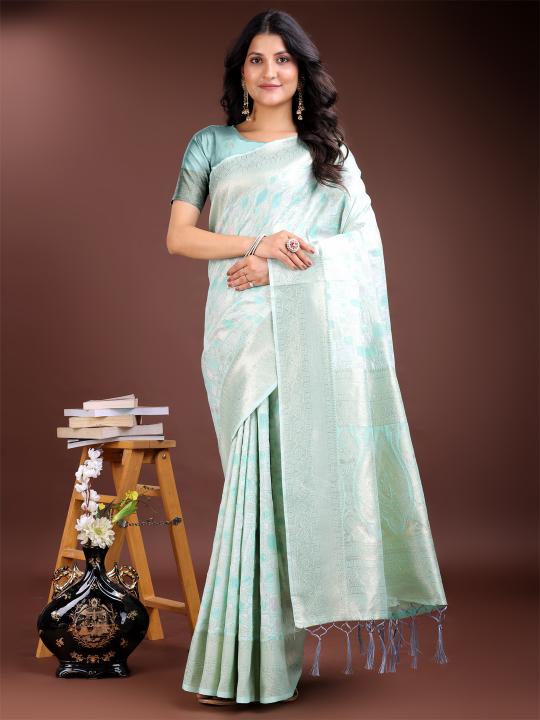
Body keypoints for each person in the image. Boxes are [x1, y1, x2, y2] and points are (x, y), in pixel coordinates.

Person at [166, 8, 449, 707]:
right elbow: (180, 238)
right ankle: (245, 662)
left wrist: (282, 268)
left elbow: (364, 250)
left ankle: (259, 667)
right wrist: (255, 245)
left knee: (283, 488)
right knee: (251, 487)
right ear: (240, 73)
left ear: (301, 71)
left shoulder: (329, 155)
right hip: (238, 334)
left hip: (302, 332)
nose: (269, 71)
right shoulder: (210, 145)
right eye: (256, 59)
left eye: (282, 59)